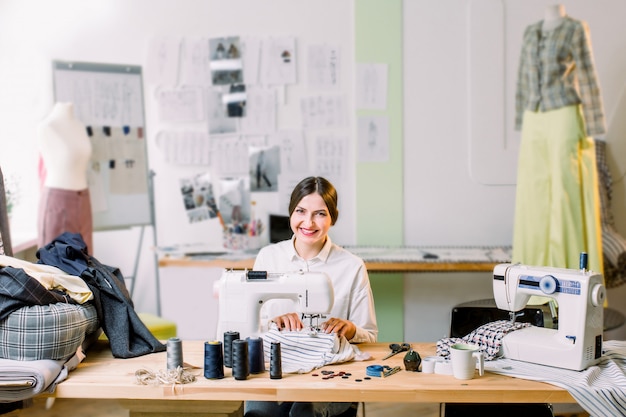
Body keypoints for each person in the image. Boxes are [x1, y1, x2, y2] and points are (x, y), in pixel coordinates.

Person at [244, 176, 378, 417]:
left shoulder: (352, 266)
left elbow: (369, 335)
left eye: (320, 213)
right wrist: (275, 322)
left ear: (333, 217)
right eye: (301, 211)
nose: (308, 222)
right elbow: (250, 329)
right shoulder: (268, 258)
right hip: (276, 367)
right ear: (291, 213)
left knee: (303, 413)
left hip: (330, 373)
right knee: (259, 414)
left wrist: (349, 328)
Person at [512, 4, 605, 280]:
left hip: (564, 114)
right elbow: (522, 80)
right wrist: (521, 121)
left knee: (563, 198)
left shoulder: (575, 29)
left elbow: (587, 77)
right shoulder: (530, 32)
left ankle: (568, 279)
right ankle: (532, 281)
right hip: (534, 119)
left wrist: (593, 128)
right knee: (533, 198)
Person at [38, 102, 94, 254]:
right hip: (58, 201)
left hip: (83, 198)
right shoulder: (48, 127)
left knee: (87, 263)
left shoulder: (79, 126)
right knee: (57, 263)